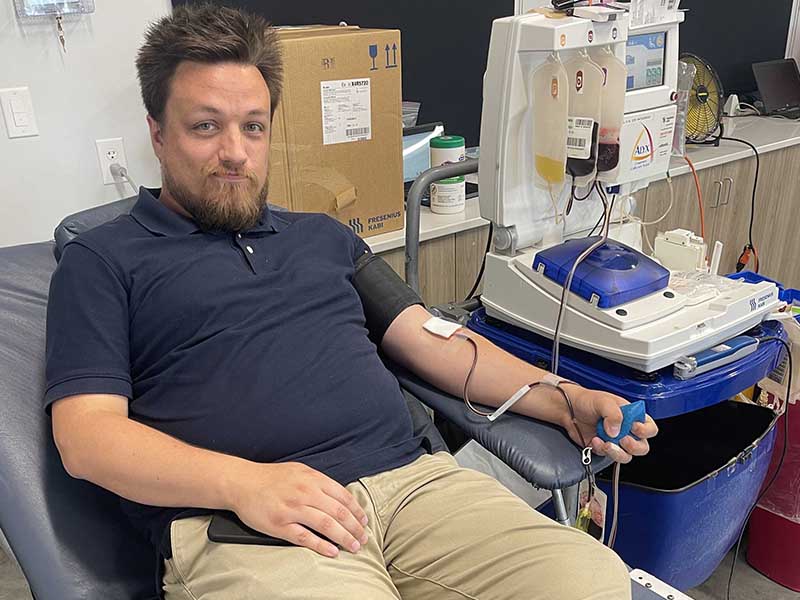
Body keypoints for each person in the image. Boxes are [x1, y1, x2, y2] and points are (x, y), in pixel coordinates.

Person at [45, 5, 658, 599]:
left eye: (252, 126)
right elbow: (88, 437)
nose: (235, 152)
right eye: (205, 126)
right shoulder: (103, 261)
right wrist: (242, 484)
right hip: (249, 520)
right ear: (157, 132)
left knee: (591, 582)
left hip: (414, 486)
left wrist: (565, 398)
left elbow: (433, 341)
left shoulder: (324, 238)